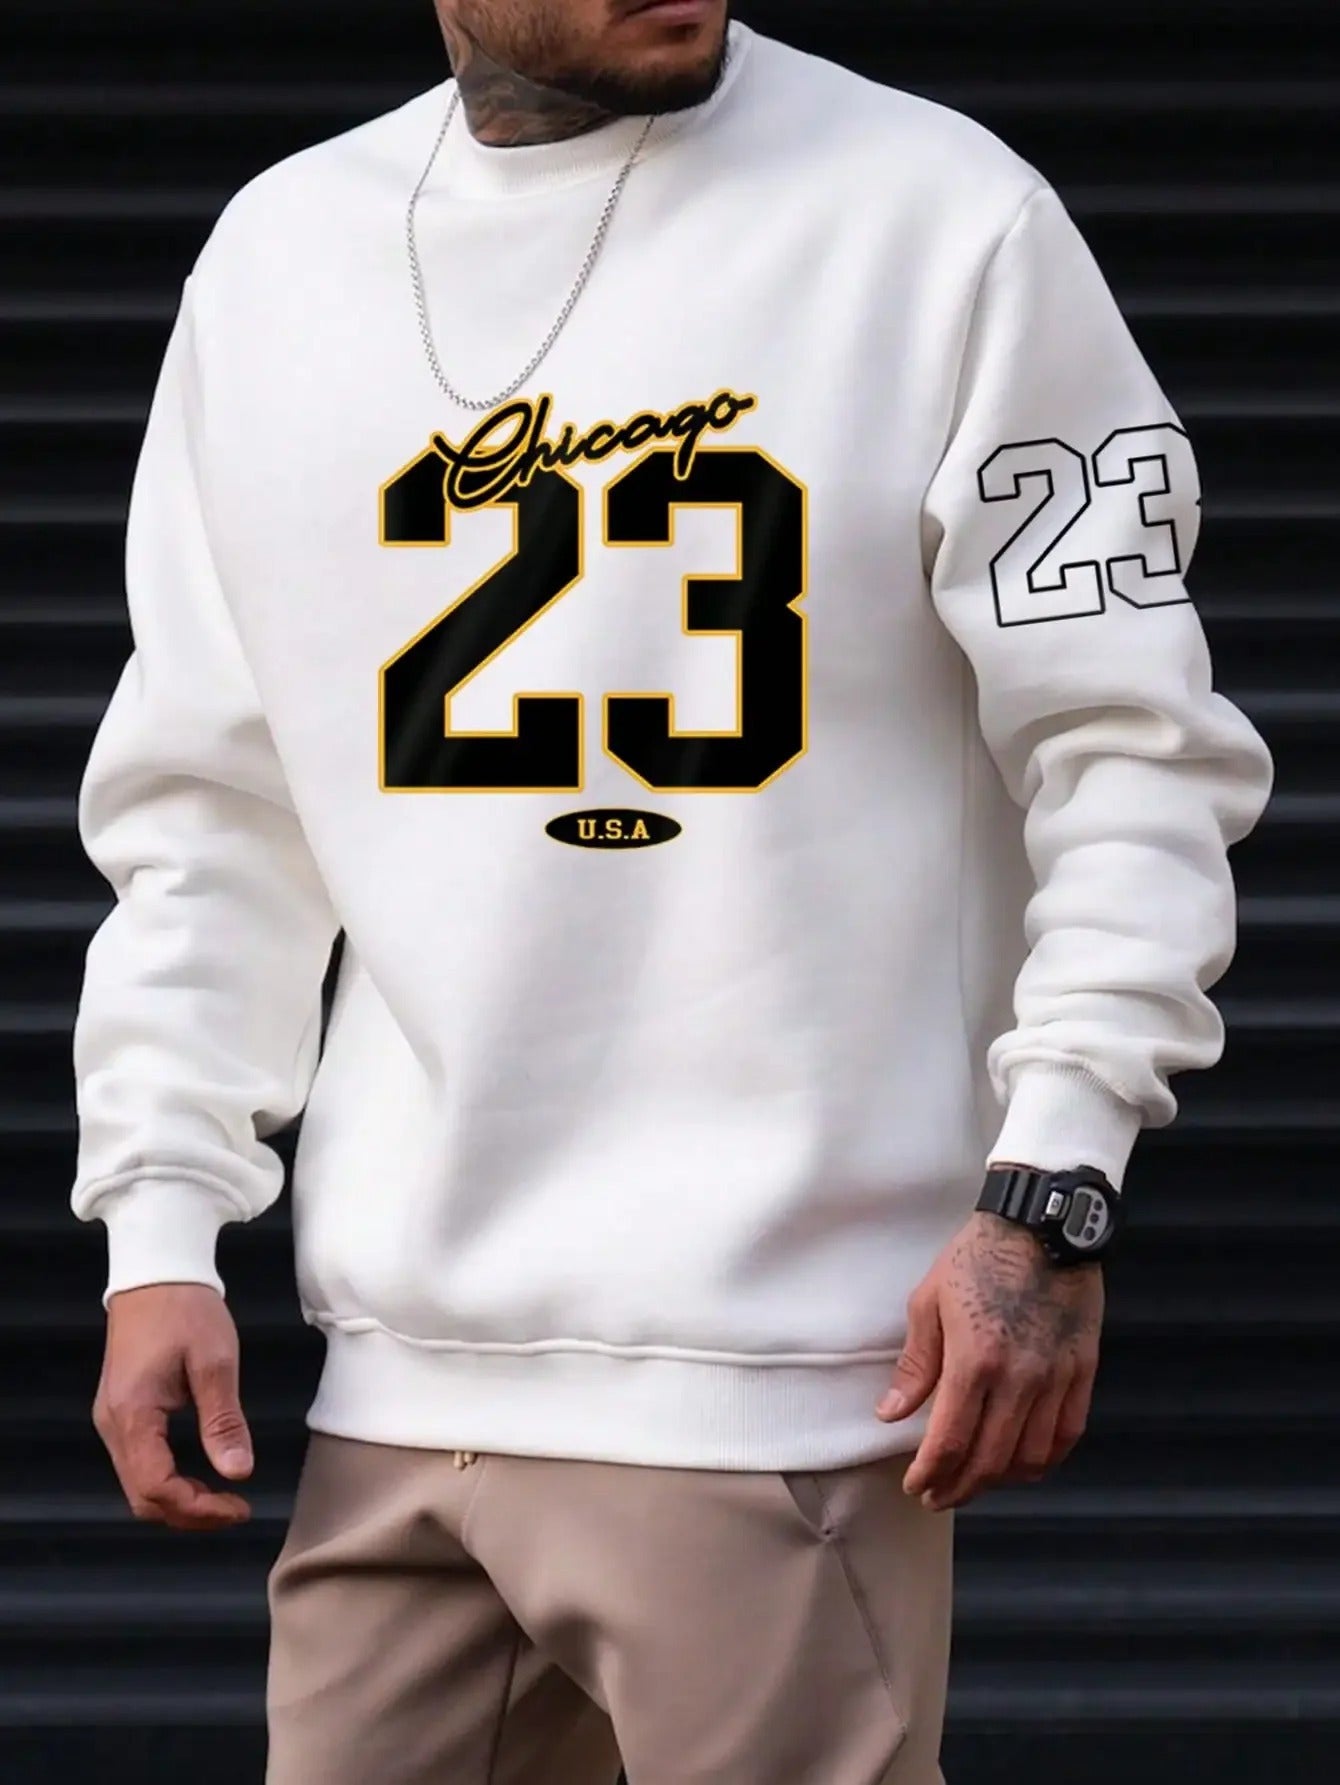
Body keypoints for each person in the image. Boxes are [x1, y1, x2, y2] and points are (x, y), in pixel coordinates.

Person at [69, 2, 1274, 1780]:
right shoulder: (279, 256)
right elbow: (211, 808)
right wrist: (159, 1225)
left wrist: (1053, 1189)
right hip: (397, 1383)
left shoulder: (940, 215)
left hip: (785, 1387)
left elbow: (1136, 750)